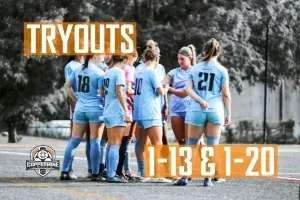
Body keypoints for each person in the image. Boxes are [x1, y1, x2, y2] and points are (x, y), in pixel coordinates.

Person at [185, 38, 231, 187]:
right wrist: (228, 113)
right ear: (218, 52)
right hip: (215, 110)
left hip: (197, 110)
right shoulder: (222, 70)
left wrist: (200, 100)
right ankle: (208, 179)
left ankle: (184, 177)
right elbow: (226, 94)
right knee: (212, 145)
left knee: (191, 144)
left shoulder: (195, 68)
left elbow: (188, 89)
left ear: (205, 50)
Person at [61, 54, 106, 181]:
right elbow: (102, 93)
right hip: (95, 109)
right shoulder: (99, 73)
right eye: (101, 56)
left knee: (74, 140)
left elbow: (66, 86)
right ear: (94, 56)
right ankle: (95, 173)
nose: (102, 58)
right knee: (95, 141)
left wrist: (76, 99)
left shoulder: (77, 69)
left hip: (80, 108)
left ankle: (64, 171)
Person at [133, 41, 169, 180]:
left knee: (142, 143)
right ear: (156, 59)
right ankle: (158, 174)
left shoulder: (138, 71)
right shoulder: (151, 72)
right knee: (157, 143)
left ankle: (145, 173)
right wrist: (166, 87)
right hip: (151, 111)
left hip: (139, 111)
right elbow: (160, 91)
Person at [100, 54, 132, 183]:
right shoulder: (119, 72)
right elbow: (119, 91)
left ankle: (109, 172)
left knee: (110, 144)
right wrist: (126, 111)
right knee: (115, 144)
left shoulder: (107, 72)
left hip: (107, 109)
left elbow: (102, 92)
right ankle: (112, 175)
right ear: (124, 60)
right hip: (116, 111)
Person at [64, 55, 93, 179]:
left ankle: (91, 169)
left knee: (91, 139)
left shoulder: (90, 65)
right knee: (74, 138)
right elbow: (68, 87)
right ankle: (68, 169)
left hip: (90, 105)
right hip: (78, 105)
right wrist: (73, 105)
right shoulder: (70, 66)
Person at [116, 49, 140, 179]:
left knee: (115, 143)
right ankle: (122, 170)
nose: (133, 62)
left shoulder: (112, 69)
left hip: (114, 108)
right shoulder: (130, 70)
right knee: (126, 141)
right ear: (130, 57)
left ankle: (113, 169)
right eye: (134, 59)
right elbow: (129, 90)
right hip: (128, 109)